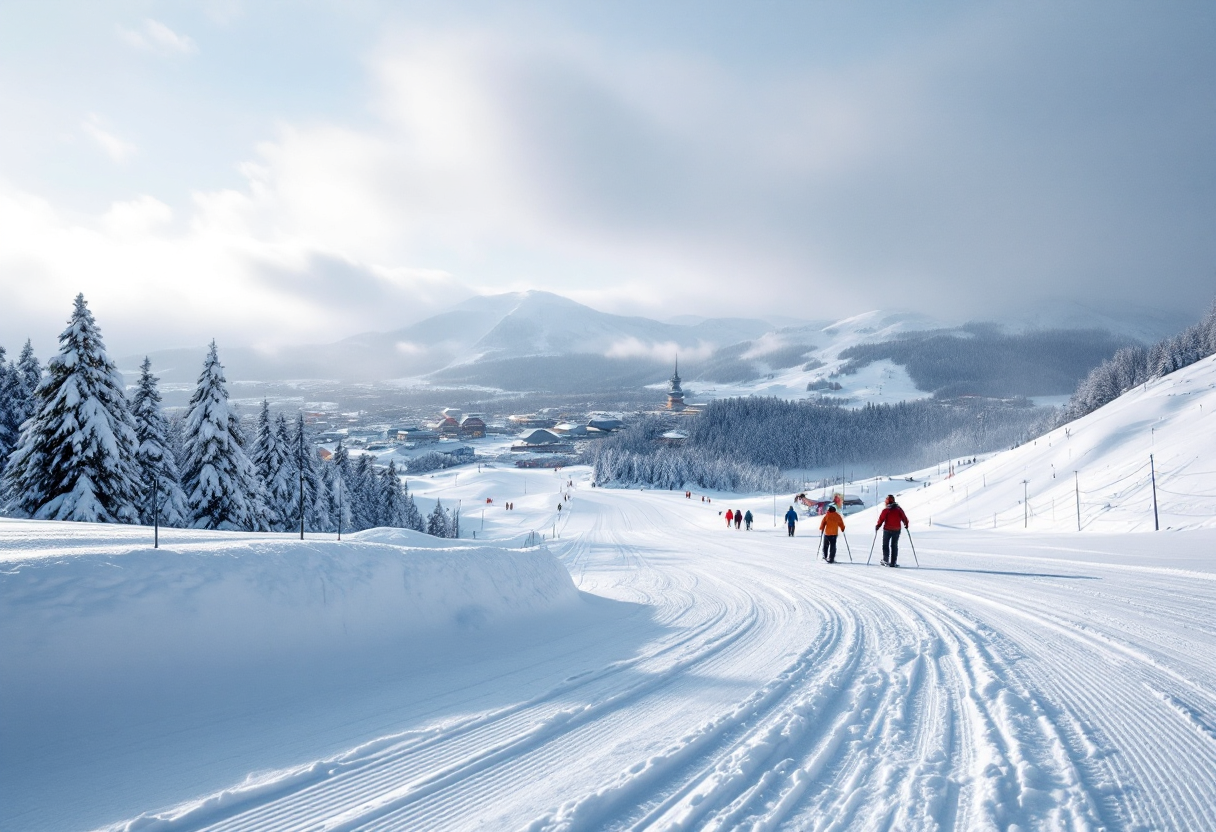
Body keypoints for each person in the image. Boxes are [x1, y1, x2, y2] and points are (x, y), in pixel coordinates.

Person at [875, 494, 910, 567]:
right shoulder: (899, 509)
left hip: (887, 530)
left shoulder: (886, 510)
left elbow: (881, 519)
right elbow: (904, 517)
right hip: (897, 530)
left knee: (885, 545)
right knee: (894, 545)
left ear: (887, 502)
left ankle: (885, 560)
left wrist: (878, 526)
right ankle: (893, 562)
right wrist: (906, 524)